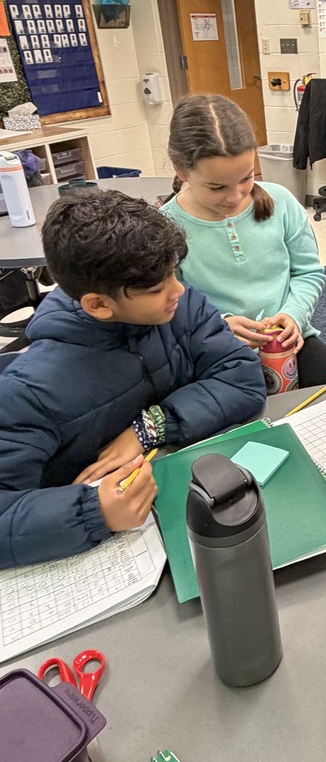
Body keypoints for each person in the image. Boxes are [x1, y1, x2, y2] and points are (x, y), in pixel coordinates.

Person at [0, 189, 266, 569]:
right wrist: (94, 512)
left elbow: (242, 380)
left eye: (173, 273)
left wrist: (149, 427)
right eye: (156, 288)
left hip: (182, 488)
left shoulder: (180, 307)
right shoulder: (29, 390)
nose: (177, 290)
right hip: (104, 549)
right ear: (98, 304)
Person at [160, 94, 326, 388]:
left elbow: (308, 273)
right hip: (213, 348)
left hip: (288, 339)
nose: (235, 196)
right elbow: (167, 304)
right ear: (180, 169)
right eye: (217, 187)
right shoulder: (164, 229)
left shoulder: (281, 201)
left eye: (247, 178)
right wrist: (217, 327)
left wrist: (293, 315)